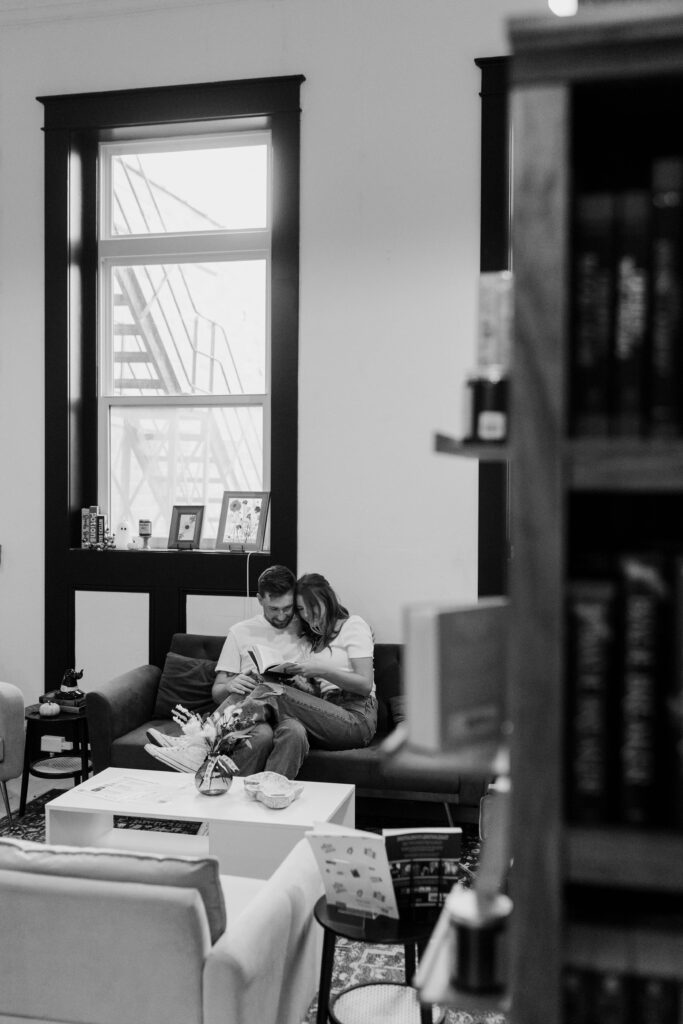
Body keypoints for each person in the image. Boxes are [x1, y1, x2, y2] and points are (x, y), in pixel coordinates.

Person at [250, 572, 377, 775]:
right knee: (292, 729)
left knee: (268, 689)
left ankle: (209, 736)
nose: (307, 615)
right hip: (329, 712)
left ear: (328, 598)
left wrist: (323, 670)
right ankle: (270, 793)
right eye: (301, 609)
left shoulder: (353, 625)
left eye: (313, 606)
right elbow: (321, 701)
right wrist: (303, 686)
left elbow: (364, 685)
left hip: (356, 716)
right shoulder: (315, 642)